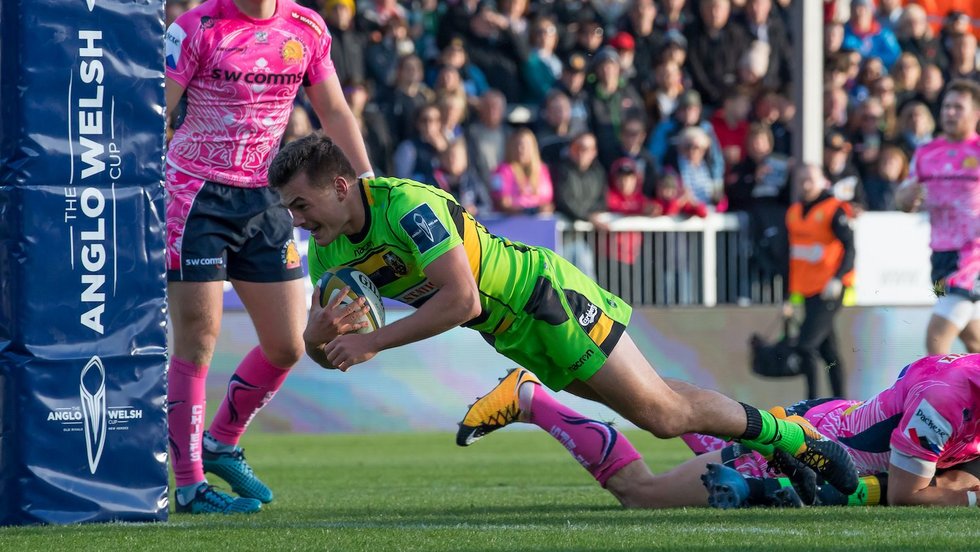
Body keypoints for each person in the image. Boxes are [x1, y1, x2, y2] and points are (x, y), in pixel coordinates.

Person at [267, 133, 860, 509]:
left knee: (660, 414)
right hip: (512, 330)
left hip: (542, 296)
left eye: (301, 205)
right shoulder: (327, 253)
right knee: (653, 403)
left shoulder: (405, 206)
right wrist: (318, 343)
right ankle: (774, 441)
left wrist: (374, 341)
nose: (297, 221)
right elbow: (332, 349)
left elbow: (461, 300)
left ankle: (790, 439)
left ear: (341, 186)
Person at [164, 0, 373, 514]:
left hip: (267, 198)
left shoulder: (306, 27)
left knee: (288, 344)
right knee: (199, 339)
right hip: (195, 196)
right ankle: (190, 486)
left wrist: (369, 185)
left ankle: (221, 444)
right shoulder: (195, 27)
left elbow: (336, 112)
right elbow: (154, 115)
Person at [462, 352, 980, 509]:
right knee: (641, 494)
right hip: (807, 452)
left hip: (818, 425)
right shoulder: (948, 397)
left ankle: (571, 375)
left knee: (670, 410)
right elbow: (910, 495)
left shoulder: (962, 380)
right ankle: (535, 399)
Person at [896, 80, 980, 355]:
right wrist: (907, 198)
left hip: (972, 257)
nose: (950, 113)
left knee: (936, 339)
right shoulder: (926, 153)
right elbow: (903, 200)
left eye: (958, 107)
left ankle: (938, 398)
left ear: (975, 114)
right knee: (975, 341)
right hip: (941, 256)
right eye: (946, 106)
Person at [785, 164, 855, 400]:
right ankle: (841, 402)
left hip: (829, 289)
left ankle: (811, 402)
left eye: (810, 180)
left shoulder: (834, 209)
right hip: (807, 289)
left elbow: (850, 247)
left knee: (806, 345)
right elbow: (793, 257)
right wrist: (788, 297)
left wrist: (837, 279)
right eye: (802, 180)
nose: (806, 185)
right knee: (828, 350)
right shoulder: (794, 212)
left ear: (822, 181)